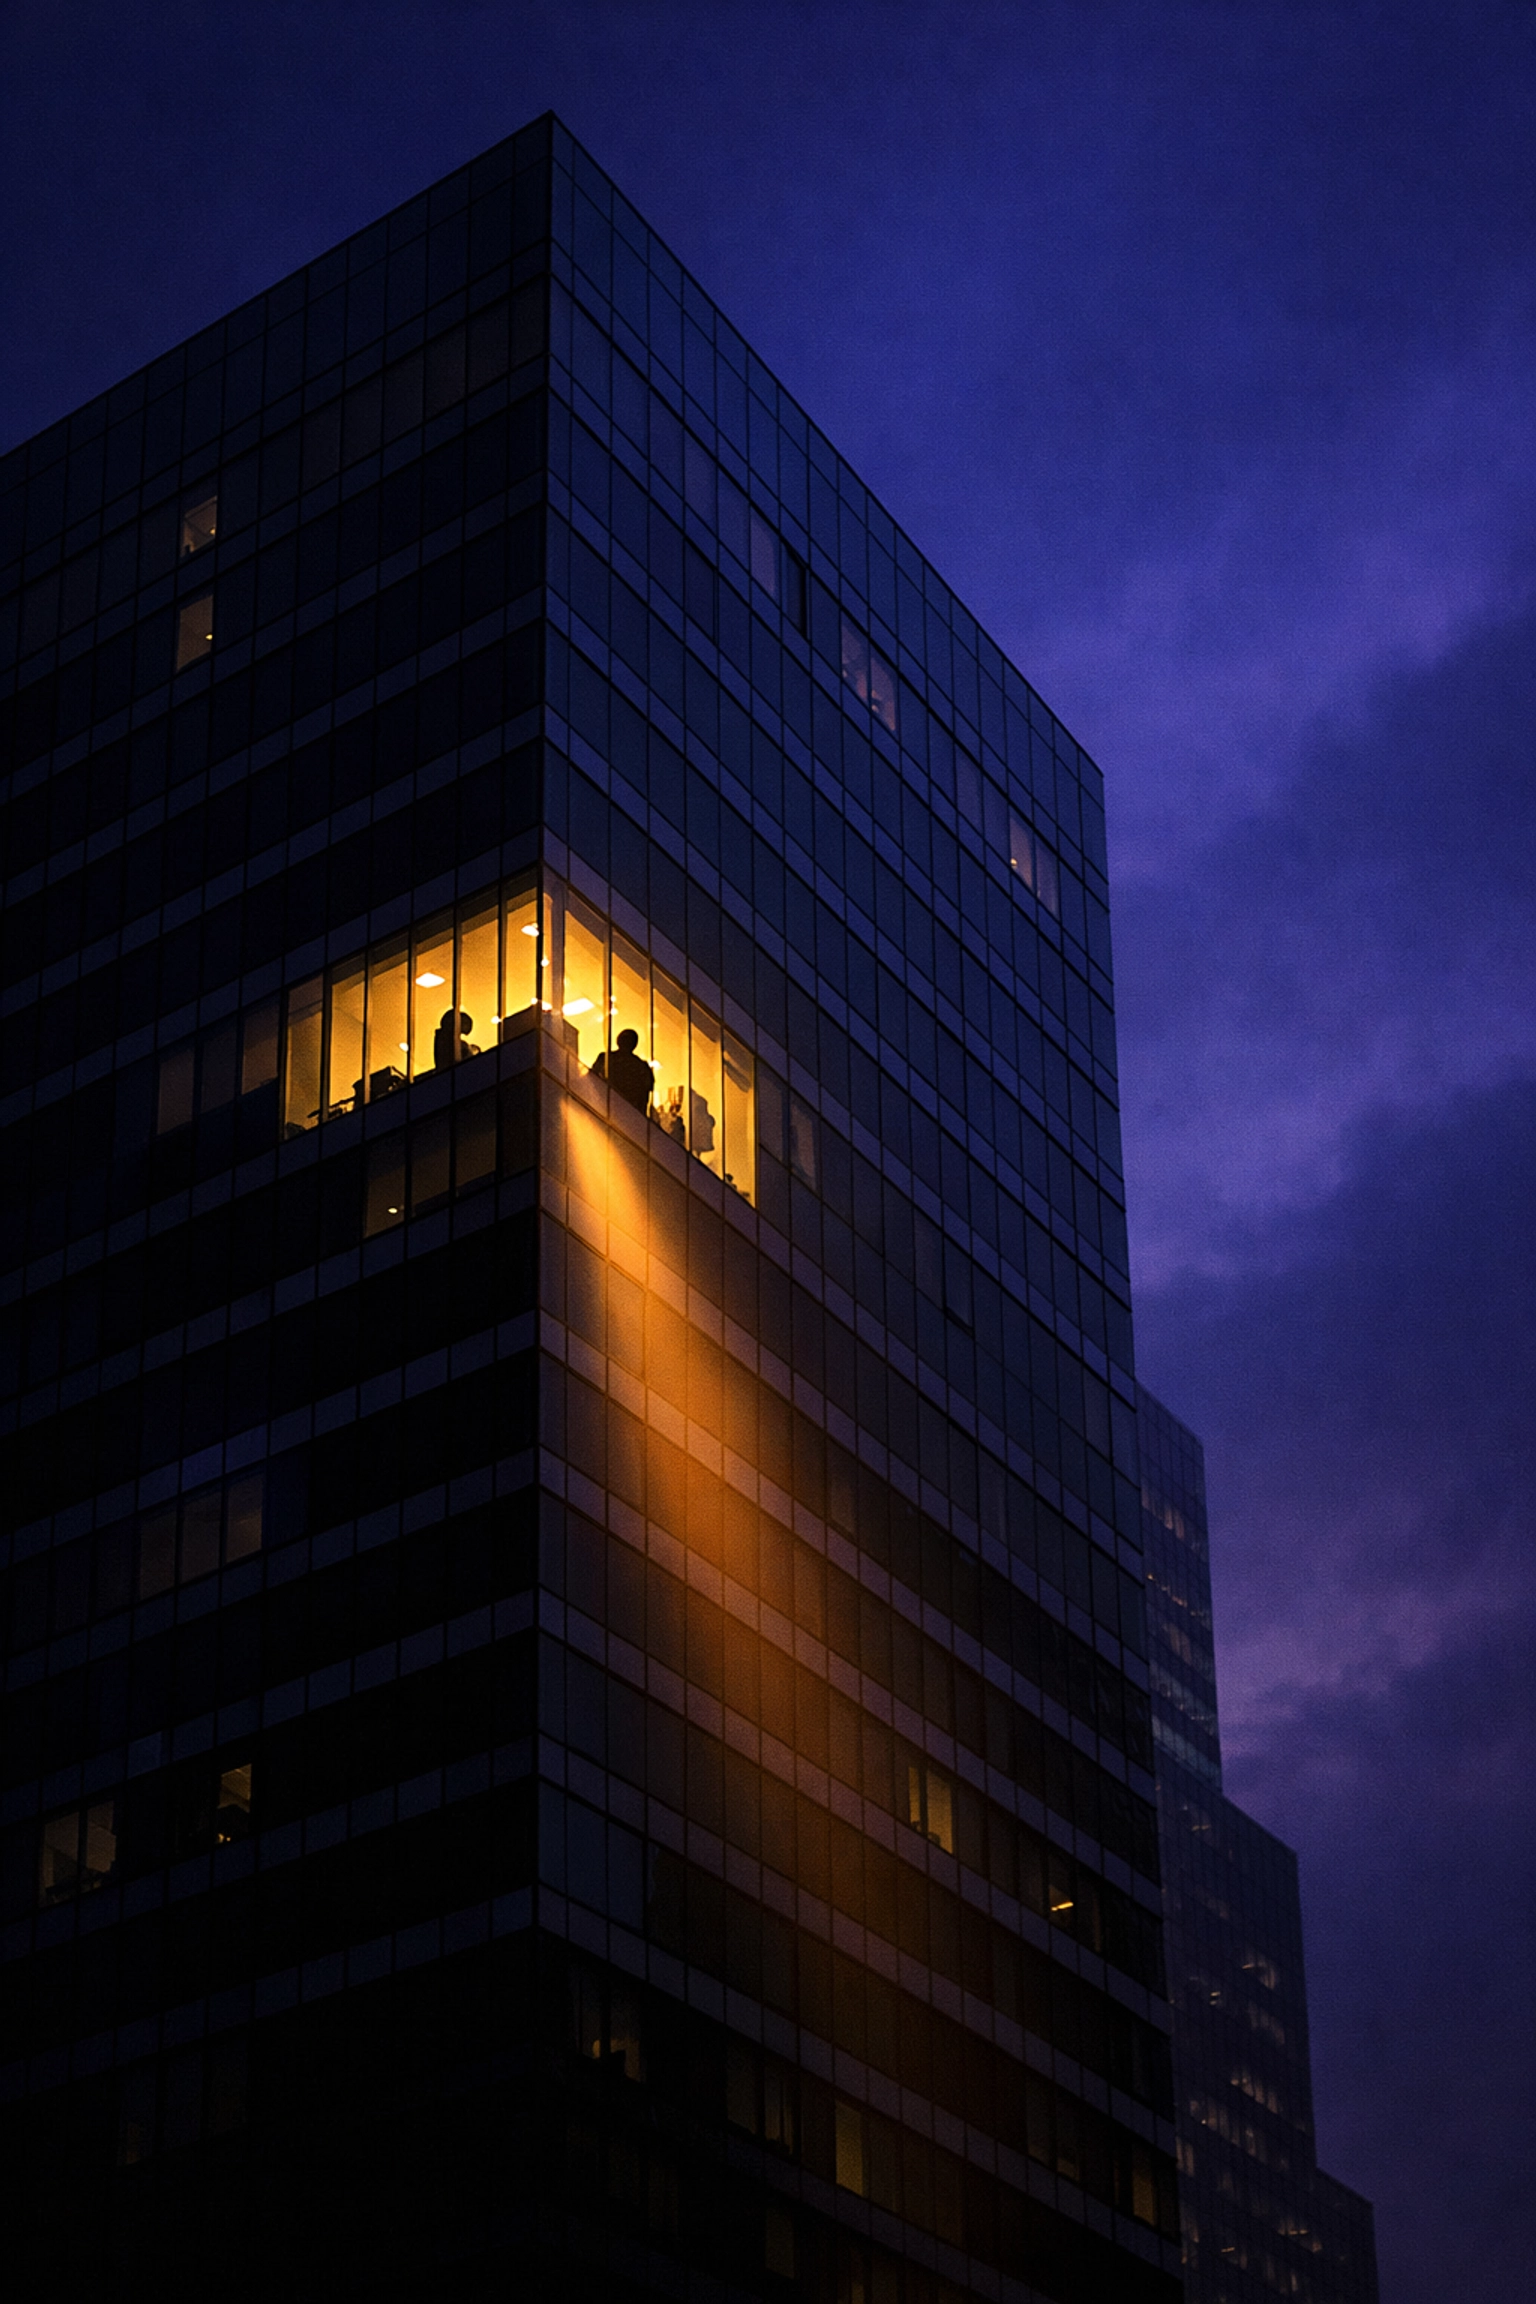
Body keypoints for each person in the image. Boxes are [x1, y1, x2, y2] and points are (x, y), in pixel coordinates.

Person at [590, 1026, 655, 1115]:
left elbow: (645, 1092)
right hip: (607, 1106)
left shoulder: (641, 1066)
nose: (625, 1042)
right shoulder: (605, 1058)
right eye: (624, 1038)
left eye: (628, 1040)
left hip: (624, 1110)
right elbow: (592, 1078)